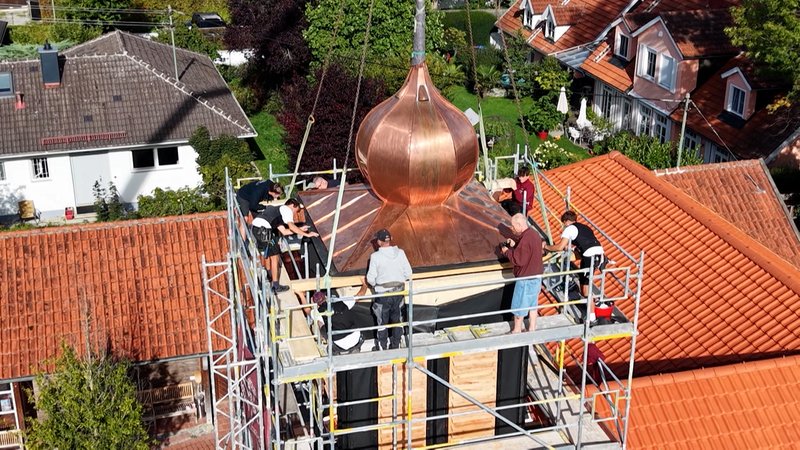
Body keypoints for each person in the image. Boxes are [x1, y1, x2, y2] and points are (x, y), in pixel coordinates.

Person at [543, 210, 607, 322]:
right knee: (583, 289)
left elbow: (559, 247)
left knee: (586, 289)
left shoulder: (570, 229)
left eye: (564, 223)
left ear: (567, 221)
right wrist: (573, 249)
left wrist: (546, 247)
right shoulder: (585, 227)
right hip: (596, 253)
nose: (564, 226)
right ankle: (594, 303)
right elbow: (586, 243)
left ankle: (592, 318)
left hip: (589, 257)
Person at [252, 198, 318, 293]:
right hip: (263, 231)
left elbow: (285, 231)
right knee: (275, 257)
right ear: (293, 205)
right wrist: (307, 234)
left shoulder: (278, 212)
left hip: (257, 229)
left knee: (271, 255)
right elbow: (291, 226)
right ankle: (275, 286)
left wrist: (300, 229)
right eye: (297, 210)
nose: (296, 213)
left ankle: (270, 277)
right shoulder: (286, 210)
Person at [366, 229, 412, 350]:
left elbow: (370, 278)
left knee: (382, 322)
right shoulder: (401, 253)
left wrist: (375, 285)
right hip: (399, 293)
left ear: (379, 242)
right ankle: (396, 345)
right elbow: (409, 273)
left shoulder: (375, 257)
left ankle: (382, 347)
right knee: (398, 321)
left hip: (383, 295)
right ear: (390, 239)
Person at [501, 213, 544, 333]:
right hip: (537, 276)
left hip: (526, 278)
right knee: (532, 305)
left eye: (513, 227)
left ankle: (517, 330)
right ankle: (532, 328)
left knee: (519, 305)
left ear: (520, 225)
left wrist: (507, 252)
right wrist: (516, 245)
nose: (512, 229)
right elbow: (529, 251)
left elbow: (519, 260)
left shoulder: (525, 239)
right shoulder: (534, 234)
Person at [311, 291, 364, 355]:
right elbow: (359, 295)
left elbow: (307, 310)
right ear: (326, 297)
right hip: (356, 337)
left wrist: (301, 295)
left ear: (316, 304)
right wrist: (365, 285)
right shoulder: (342, 301)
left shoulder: (318, 312)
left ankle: (335, 353)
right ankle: (355, 348)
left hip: (339, 343)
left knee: (319, 322)